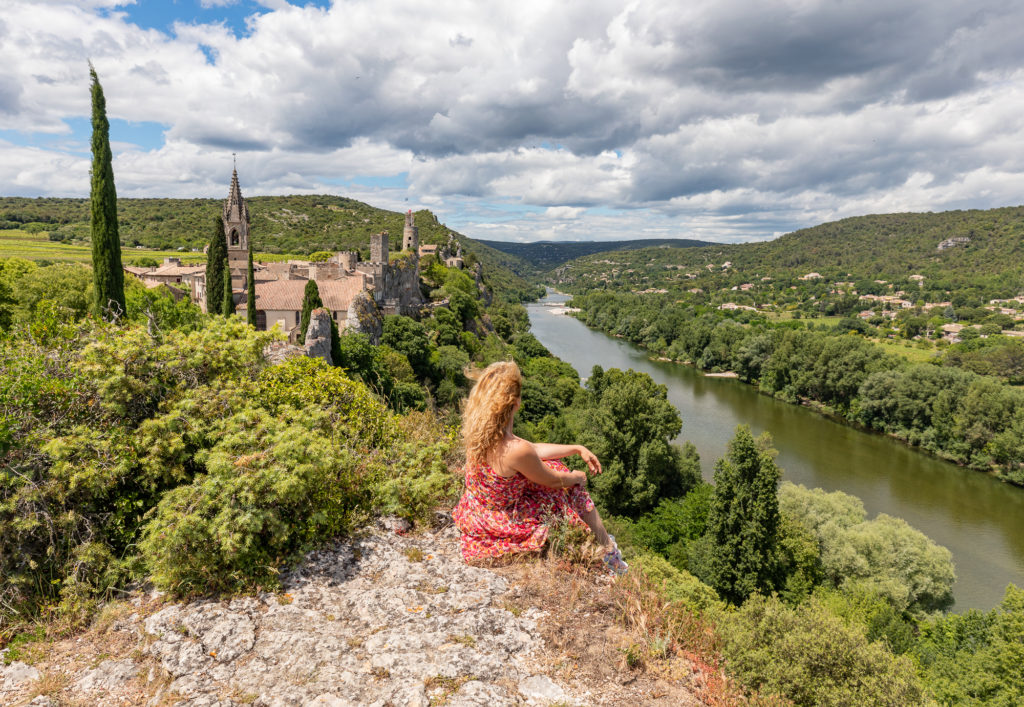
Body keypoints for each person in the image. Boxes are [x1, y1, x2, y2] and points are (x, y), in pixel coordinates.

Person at [452, 360, 628, 573]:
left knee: (555, 465)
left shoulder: (483, 434)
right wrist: (576, 477)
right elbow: (552, 479)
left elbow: (533, 449)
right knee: (568, 482)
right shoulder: (515, 449)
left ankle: (606, 545)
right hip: (502, 517)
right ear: (515, 402)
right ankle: (609, 552)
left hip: (478, 509)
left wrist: (576, 448)